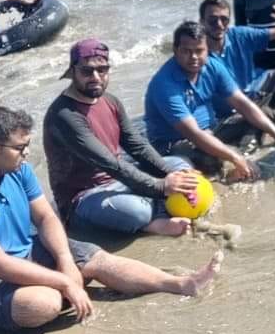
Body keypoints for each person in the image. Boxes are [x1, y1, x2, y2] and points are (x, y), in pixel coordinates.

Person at [0, 106, 222, 332]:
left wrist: (64, 260)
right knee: (45, 303)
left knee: (97, 259)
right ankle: (63, 290)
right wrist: (64, 281)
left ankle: (181, 284)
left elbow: (45, 217)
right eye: (20, 148)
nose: (27, 154)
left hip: (25, 253)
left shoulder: (16, 170)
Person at [44, 38, 241, 241]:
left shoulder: (110, 101)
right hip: (84, 198)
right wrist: (161, 186)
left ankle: (160, 205)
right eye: (87, 71)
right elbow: (109, 163)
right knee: (137, 212)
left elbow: (137, 146)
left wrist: (169, 173)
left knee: (180, 165)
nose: (95, 77)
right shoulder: (64, 115)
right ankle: (153, 223)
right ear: (73, 71)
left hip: (118, 179)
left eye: (102, 70)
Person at [144, 21, 275, 181]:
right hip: (173, 143)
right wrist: (234, 157)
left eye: (199, 50)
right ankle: (230, 169)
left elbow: (242, 104)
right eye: (186, 51)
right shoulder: (164, 85)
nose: (193, 57)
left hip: (211, 129)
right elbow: (194, 133)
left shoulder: (213, 67)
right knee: (210, 159)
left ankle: (240, 159)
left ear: (207, 49)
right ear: (175, 50)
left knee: (260, 116)